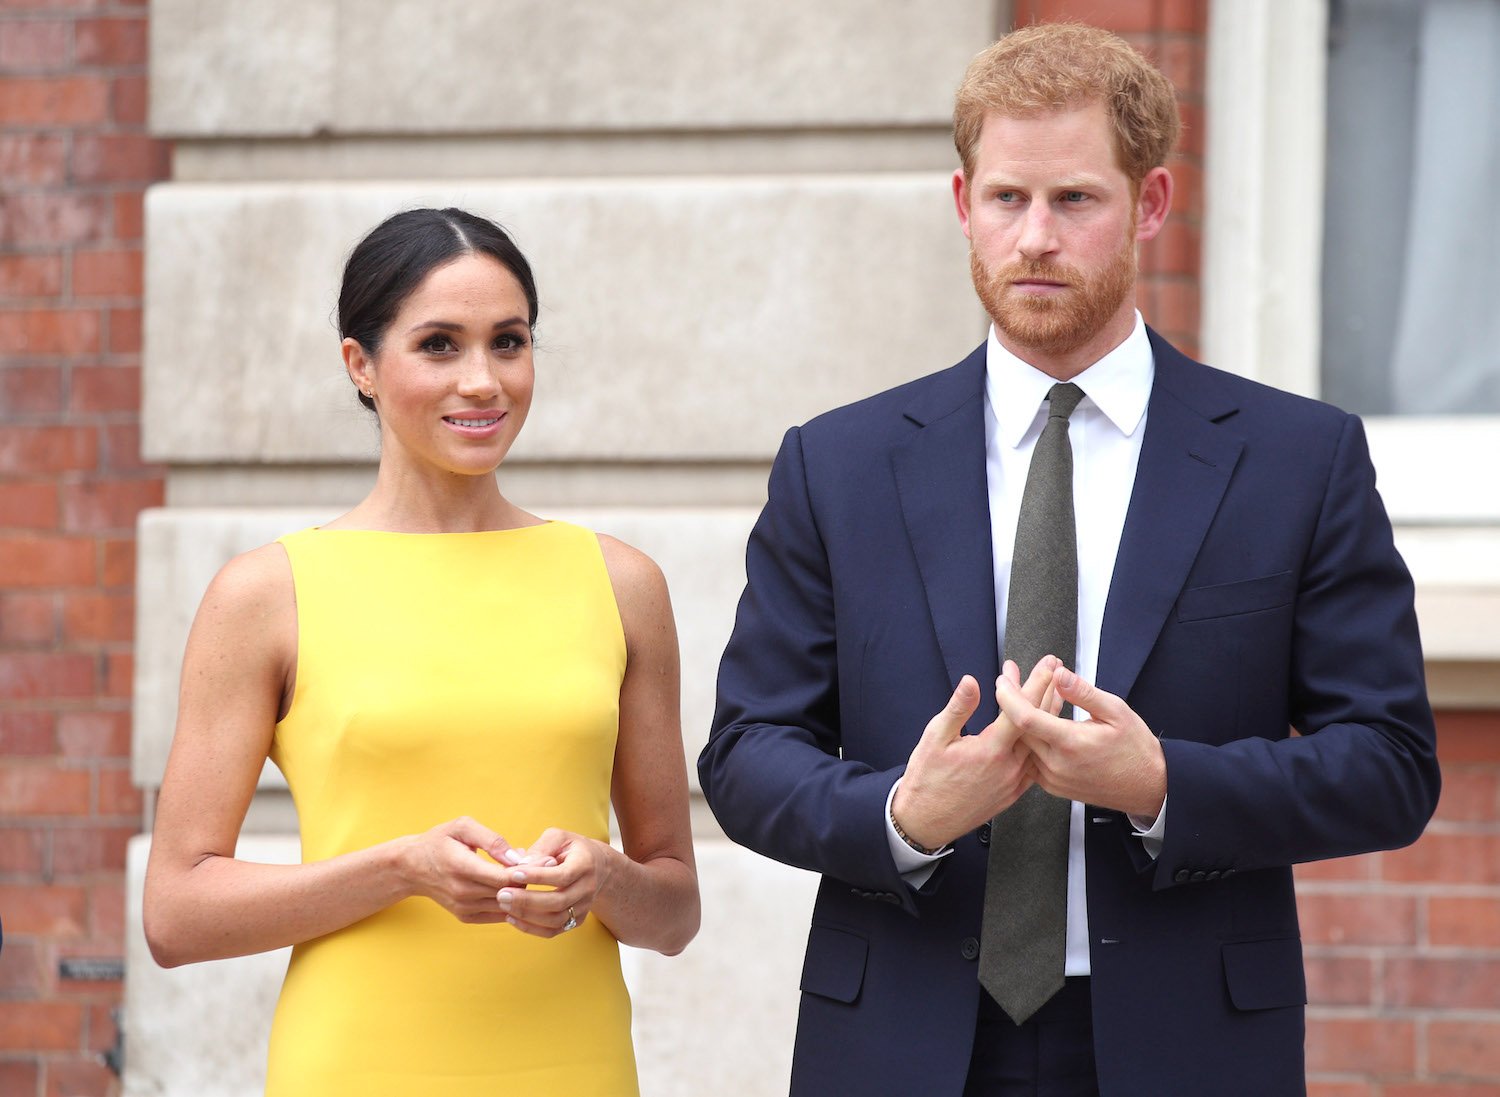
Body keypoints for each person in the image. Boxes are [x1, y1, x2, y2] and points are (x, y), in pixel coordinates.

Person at [699, 24, 1438, 1097]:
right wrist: (903, 817)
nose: (1035, 237)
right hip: (900, 1036)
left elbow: (1389, 762)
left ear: (1148, 204)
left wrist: (1164, 784)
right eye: (1007, 199)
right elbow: (746, 754)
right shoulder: (841, 463)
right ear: (964, 205)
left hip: (1189, 1040)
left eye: (1075, 201)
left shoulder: (1297, 459)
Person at [143, 207, 699, 1096]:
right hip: (358, 1065)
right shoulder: (266, 594)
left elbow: (674, 908)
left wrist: (603, 877)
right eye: (439, 344)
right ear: (359, 365)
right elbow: (175, 914)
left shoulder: (622, 584)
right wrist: (399, 868)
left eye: (507, 342)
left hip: (574, 1064)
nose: (483, 380)